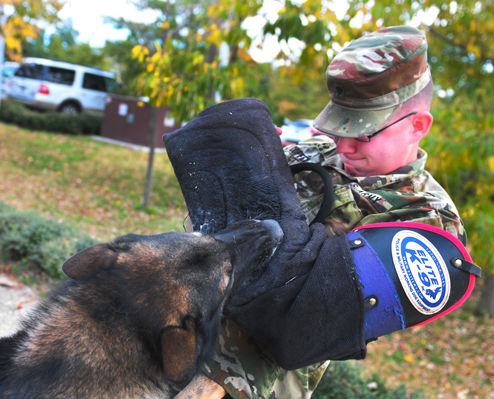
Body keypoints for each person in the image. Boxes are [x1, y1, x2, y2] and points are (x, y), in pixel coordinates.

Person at [176, 26, 468, 399]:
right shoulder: (317, 151)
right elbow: (203, 232)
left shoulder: (430, 226)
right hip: (164, 331)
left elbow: (298, 321)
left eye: (364, 133)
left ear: (418, 126)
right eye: (340, 125)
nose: (343, 144)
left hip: (233, 386)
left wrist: (247, 198)